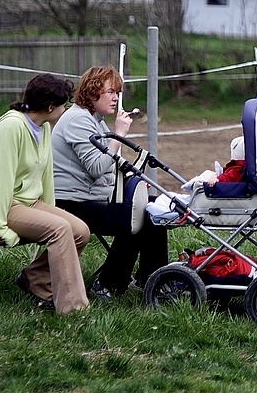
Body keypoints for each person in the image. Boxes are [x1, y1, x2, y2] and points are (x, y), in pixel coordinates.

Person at [0, 73, 90, 314]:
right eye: (63, 104)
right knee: (60, 229)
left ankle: (34, 278)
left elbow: (45, 174)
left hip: (27, 204)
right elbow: (1, 181)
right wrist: (1, 226)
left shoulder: (43, 126)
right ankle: (73, 307)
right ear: (49, 107)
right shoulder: (11, 127)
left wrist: (50, 209)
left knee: (80, 231)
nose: (65, 109)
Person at [51, 65, 169, 300]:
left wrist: (132, 182)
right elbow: (97, 167)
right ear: (92, 92)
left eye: (118, 92)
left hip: (90, 197)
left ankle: (153, 279)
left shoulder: (94, 120)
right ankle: (108, 284)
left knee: (154, 208)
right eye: (111, 92)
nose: (116, 98)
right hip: (70, 202)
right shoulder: (77, 120)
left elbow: (111, 165)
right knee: (131, 214)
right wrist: (119, 135)